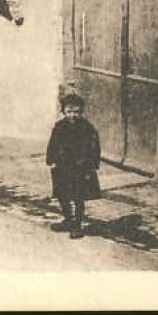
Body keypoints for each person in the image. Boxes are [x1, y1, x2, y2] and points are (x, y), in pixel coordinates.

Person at [46, 91, 101, 239]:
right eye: (69, 111)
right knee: (62, 194)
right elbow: (53, 144)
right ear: (63, 111)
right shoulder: (59, 127)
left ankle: (77, 225)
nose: (72, 115)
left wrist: (93, 164)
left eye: (76, 112)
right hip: (62, 167)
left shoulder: (87, 128)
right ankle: (67, 220)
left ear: (81, 112)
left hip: (80, 169)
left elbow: (94, 147)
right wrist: (51, 160)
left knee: (78, 197)